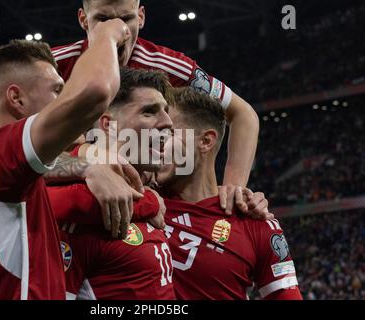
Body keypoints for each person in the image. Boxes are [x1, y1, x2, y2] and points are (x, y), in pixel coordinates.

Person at [0, 19, 130, 300]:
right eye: (58, 90)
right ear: (16, 98)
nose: (63, 99)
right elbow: (94, 92)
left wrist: (86, 167)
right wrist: (105, 35)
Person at [51, 0, 260, 215]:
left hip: (152, 209)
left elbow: (243, 114)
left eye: (126, 18)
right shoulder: (53, 69)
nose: (117, 30)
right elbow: (20, 146)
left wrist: (235, 187)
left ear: (140, 17)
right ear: (83, 20)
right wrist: (89, 156)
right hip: (74, 201)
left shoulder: (168, 65)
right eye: (102, 19)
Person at [156, 87, 302, 300]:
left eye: (167, 134)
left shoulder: (254, 222)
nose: (154, 144)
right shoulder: (136, 201)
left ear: (206, 141)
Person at [47, 68, 175, 300]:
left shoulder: (154, 185)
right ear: (109, 125)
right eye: (149, 112)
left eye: (166, 111)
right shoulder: (79, 206)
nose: (168, 123)